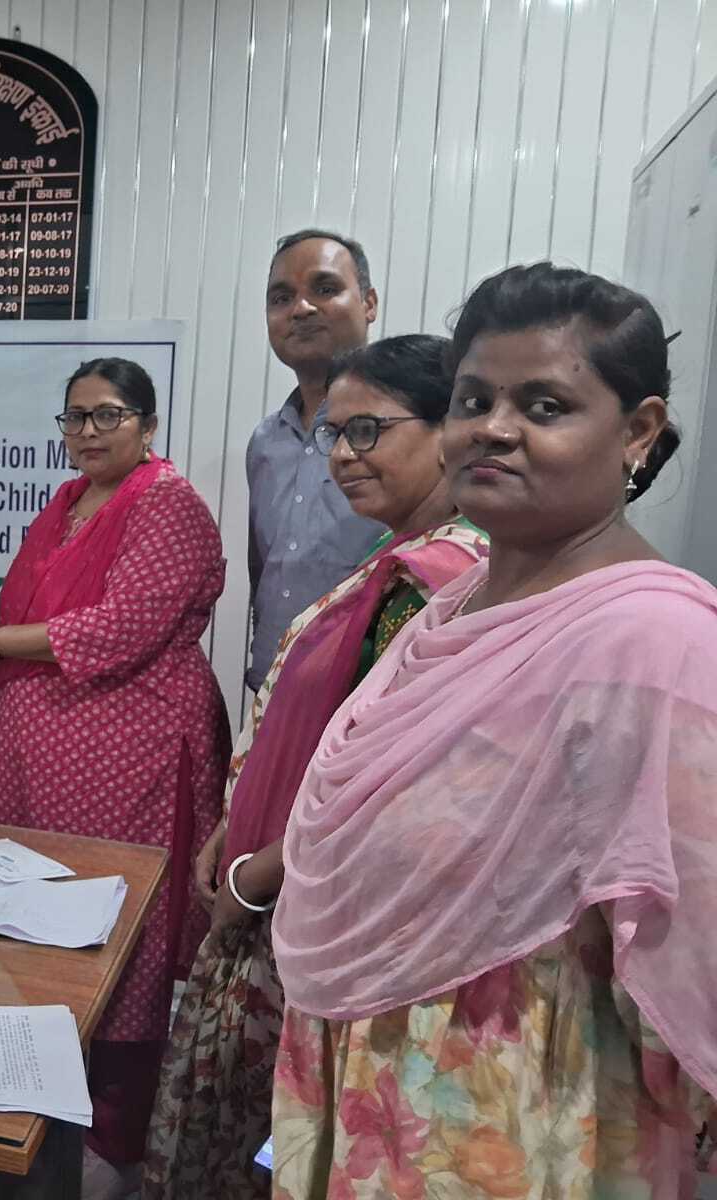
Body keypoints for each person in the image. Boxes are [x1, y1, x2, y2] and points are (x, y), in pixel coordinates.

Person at [271, 264, 716, 1198]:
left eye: (545, 406)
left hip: (515, 1116)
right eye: (474, 400)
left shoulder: (655, 644)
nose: (493, 429)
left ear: (637, 431)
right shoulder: (455, 602)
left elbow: (690, 944)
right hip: (374, 1082)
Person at [141, 335, 487, 1200]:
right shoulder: (396, 560)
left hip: (311, 913)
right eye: (335, 432)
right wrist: (234, 824)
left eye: (368, 430)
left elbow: (383, 789)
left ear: (448, 430)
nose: (342, 455)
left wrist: (255, 875)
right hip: (268, 879)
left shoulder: (443, 583)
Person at [0, 358, 230, 1200]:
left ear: (148, 424)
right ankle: (35, 1102)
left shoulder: (167, 504)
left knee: (117, 932)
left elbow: (119, 628)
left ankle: (113, 1136)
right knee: (32, 922)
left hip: (127, 751)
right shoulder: (66, 502)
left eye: (108, 415)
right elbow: (35, 616)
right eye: (75, 417)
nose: (88, 432)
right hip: (39, 752)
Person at [245, 229, 388, 692]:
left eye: (325, 289)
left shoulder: (409, 429)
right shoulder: (266, 442)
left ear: (368, 303)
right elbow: (263, 572)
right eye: (281, 298)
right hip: (270, 687)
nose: (301, 309)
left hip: (366, 693)